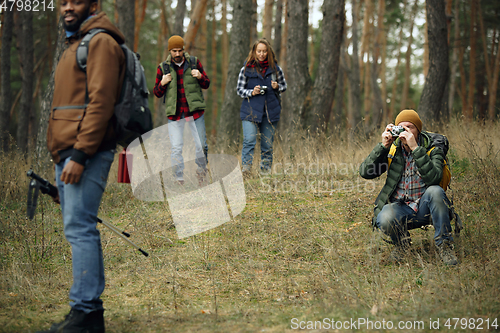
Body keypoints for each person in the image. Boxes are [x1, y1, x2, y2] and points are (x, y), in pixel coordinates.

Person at [38, 1, 125, 332]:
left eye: (75, 1)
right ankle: (88, 313)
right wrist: (60, 156)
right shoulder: (75, 43)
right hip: (68, 153)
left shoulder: (100, 41)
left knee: (80, 228)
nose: (67, 7)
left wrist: (80, 155)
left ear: (94, 4)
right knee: (78, 226)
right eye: (63, 2)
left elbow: (101, 102)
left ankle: (86, 312)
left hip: (86, 152)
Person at [359, 109, 458, 265]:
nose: (405, 131)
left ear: (418, 130)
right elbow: (365, 172)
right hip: (402, 207)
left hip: (427, 207)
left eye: (410, 127)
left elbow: (434, 178)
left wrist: (415, 149)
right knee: (384, 216)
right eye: (401, 127)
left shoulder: (433, 148)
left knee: (436, 191)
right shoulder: (393, 149)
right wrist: (383, 146)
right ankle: (402, 245)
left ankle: (444, 246)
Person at [153, 35, 210, 185]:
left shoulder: (194, 62)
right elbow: (157, 93)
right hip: (175, 114)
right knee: (176, 148)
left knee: (201, 146)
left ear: (183, 50)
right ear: (169, 51)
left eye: (179, 50)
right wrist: (163, 83)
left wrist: (199, 76)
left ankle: (202, 173)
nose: (177, 54)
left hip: (195, 112)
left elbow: (206, 84)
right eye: (174, 51)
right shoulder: (163, 68)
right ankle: (179, 179)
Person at [237, 38, 287, 175]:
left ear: (268, 52)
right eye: (259, 51)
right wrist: (251, 92)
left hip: (270, 112)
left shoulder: (276, 69)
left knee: (267, 145)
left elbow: (284, 87)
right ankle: (246, 171)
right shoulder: (246, 69)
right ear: (254, 52)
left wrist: (277, 87)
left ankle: (265, 173)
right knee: (249, 141)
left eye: (264, 51)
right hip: (250, 110)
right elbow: (239, 90)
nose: (261, 54)